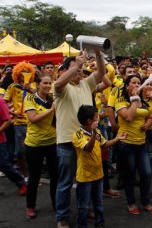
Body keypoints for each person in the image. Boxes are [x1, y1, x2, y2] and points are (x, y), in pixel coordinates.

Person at [54, 49, 106, 228]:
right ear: (65, 69)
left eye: (81, 68)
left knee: (88, 179)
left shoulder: (85, 84)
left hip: (87, 140)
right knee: (66, 182)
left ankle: (86, 208)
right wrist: (76, 63)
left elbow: (101, 73)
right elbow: (59, 83)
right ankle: (62, 217)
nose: (79, 70)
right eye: (75, 67)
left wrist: (98, 54)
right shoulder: (61, 87)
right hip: (67, 142)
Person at [72, 105, 126, 228]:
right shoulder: (78, 134)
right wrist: (93, 134)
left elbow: (105, 144)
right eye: (96, 117)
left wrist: (118, 138)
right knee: (83, 205)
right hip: (85, 177)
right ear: (89, 121)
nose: (98, 118)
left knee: (98, 203)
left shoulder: (96, 132)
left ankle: (100, 223)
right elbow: (88, 148)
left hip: (98, 174)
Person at [115, 74, 152, 215]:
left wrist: (147, 123)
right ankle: (131, 202)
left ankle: (145, 202)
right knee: (130, 175)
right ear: (127, 86)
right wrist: (134, 99)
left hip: (141, 143)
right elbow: (128, 117)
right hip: (126, 144)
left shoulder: (143, 102)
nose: (136, 85)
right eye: (133, 83)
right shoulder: (121, 100)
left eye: (138, 82)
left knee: (146, 173)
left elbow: (150, 115)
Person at [23, 73, 58, 218]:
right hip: (34, 145)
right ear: (37, 85)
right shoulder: (30, 98)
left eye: (50, 83)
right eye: (45, 83)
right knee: (34, 177)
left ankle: (56, 204)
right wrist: (51, 110)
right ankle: (30, 206)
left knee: (56, 176)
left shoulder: (52, 99)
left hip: (52, 143)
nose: (48, 86)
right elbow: (33, 118)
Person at [4, 61, 36, 177]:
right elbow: (4, 103)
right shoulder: (12, 87)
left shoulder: (34, 87)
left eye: (27, 72)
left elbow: (41, 100)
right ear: (18, 73)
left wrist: (30, 90)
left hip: (33, 123)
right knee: (19, 152)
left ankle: (32, 175)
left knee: (32, 152)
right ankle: (24, 175)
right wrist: (12, 112)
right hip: (18, 124)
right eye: (22, 72)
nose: (25, 74)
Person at [0, 92, 27, 196]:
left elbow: (7, 121)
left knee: (4, 165)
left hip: (0, 140)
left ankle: (21, 183)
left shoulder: (1, 101)